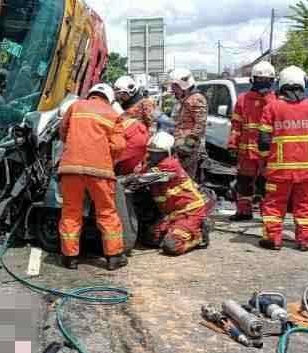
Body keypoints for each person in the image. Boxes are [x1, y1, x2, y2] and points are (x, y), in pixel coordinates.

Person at [257, 66, 308, 252]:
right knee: (305, 205)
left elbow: (264, 141)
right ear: (302, 84)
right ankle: (305, 240)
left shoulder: (271, 107)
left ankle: (273, 239)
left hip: (279, 170)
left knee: (274, 205)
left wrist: (265, 162)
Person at [57, 83, 128, 271]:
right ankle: (113, 257)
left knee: (71, 212)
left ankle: (70, 257)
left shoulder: (76, 106)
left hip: (70, 168)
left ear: (91, 94)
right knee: (106, 212)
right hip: (100, 171)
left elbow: (63, 131)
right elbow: (119, 146)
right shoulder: (113, 115)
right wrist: (105, 156)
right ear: (109, 99)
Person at [135, 131, 210, 255]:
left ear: (168, 152)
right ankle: (179, 230)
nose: (153, 156)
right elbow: (140, 173)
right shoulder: (152, 163)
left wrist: (129, 178)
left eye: (157, 153)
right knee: (150, 240)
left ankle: (199, 236)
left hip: (190, 211)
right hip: (172, 213)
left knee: (171, 246)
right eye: (151, 152)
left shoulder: (169, 164)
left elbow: (142, 178)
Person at [227, 61, 276, 221]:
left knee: (265, 184)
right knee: (243, 182)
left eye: (266, 80)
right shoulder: (243, 99)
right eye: (259, 79)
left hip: (267, 152)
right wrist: (232, 143)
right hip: (246, 152)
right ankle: (243, 211)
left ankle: (266, 214)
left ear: (272, 81)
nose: (262, 83)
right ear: (253, 80)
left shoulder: (275, 100)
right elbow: (236, 124)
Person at [167, 67, 207, 181]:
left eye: (175, 86)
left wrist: (189, 144)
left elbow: (200, 124)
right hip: (180, 146)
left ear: (183, 85)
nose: (173, 89)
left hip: (189, 149)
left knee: (187, 180)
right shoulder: (185, 99)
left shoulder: (196, 99)